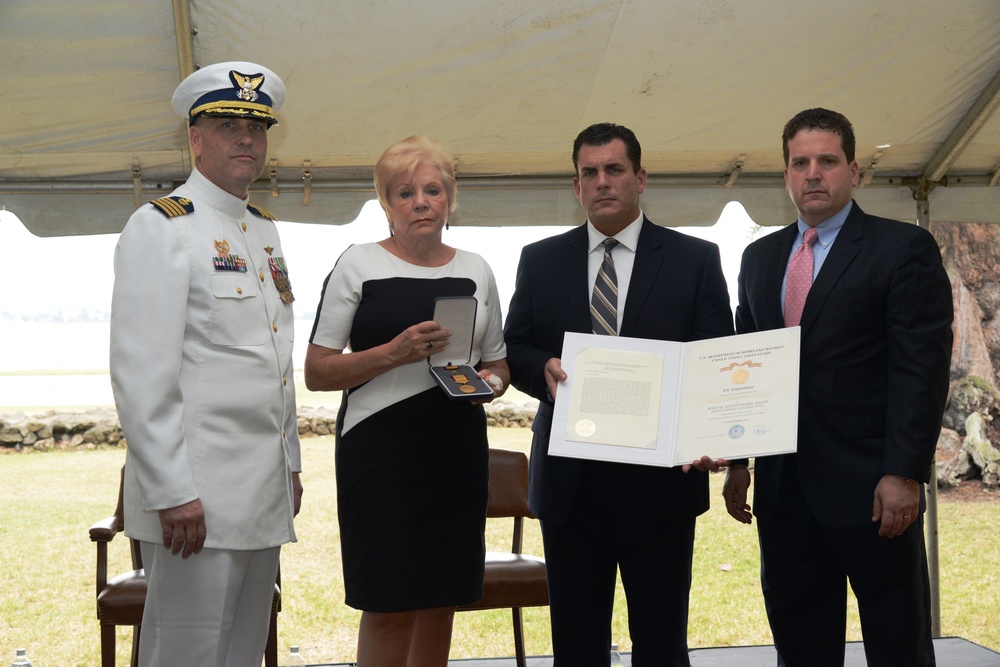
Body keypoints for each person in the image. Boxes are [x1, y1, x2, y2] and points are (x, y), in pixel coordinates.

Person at [724, 108, 953, 666]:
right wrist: (737, 461)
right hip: (784, 495)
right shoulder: (759, 259)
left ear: (853, 171)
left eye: (826, 161)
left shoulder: (902, 248)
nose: (813, 174)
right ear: (785, 175)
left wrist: (903, 473)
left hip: (875, 494)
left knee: (898, 646)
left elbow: (920, 372)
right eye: (800, 163)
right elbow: (744, 369)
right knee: (801, 648)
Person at [504, 122, 734, 666]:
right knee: (576, 645)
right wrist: (544, 369)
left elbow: (715, 361)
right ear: (576, 185)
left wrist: (716, 442)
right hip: (571, 483)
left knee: (661, 642)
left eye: (614, 169)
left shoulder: (695, 259)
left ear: (641, 178)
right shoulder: (540, 259)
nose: (602, 181)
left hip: (661, 484)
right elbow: (514, 347)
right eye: (590, 172)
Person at [110, 61, 303, 666]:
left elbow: (276, 361)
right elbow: (142, 375)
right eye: (228, 126)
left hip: (261, 491)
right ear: (195, 139)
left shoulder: (264, 231)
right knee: (185, 653)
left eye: (256, 127)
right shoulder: (162, 228)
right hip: (195, 499)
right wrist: (172, 492)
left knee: (242, 652)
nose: (246, 139)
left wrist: (290, 464)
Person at [304, 135, 510, 667]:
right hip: (380, 453)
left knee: (442, 602)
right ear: (386, 204)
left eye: (432, 190)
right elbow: (317, 372)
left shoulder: (478, 268)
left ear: (450, 199)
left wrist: (491, 382)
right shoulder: (358, 263)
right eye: (405, 193)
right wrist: (393, 353)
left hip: (456, 451)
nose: (421, 202)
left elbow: (499, 362)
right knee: (389, 605)